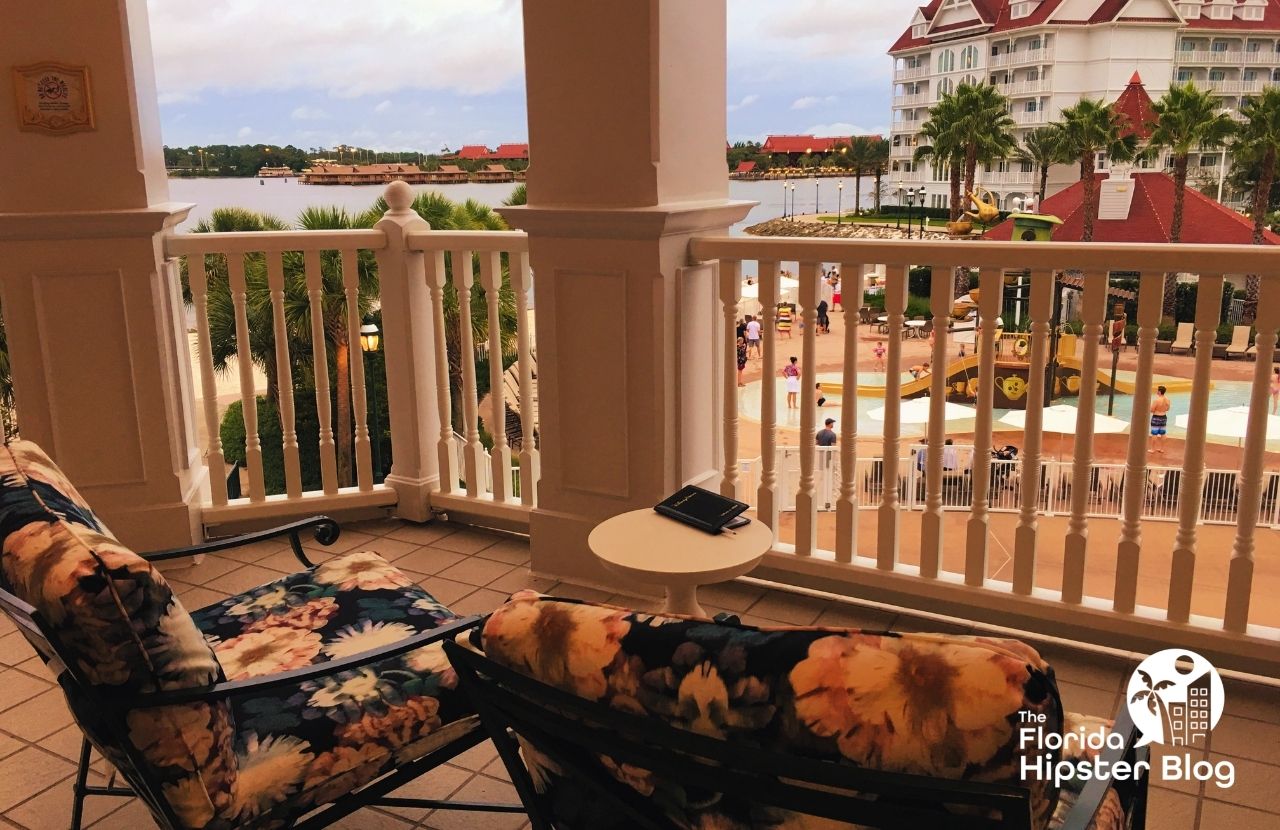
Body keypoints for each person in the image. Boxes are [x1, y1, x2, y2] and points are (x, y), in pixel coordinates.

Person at [1150, 385, 1171, 454]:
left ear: (1159, 392)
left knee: (1154, 433)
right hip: (1163, 417)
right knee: (1163, 433)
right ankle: (1162, 449)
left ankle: (1153, 449)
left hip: (1156, 417)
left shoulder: (1156, 400)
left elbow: (1152, 410)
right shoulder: (1167, 400)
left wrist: (1155, 410)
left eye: (1157, 390)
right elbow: (1167, 409)